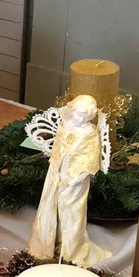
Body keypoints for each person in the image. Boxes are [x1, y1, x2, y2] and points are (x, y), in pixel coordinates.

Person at [26, 94, 112, 267]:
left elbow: (91, 158)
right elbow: (57, 150)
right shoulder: (64, 126)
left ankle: (70, 252)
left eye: (86, 116)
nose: (81, 119)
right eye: (79, 114)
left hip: (76, 180)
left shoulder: (90, 133)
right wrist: (56, 172)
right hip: (56, 174)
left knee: (72, 214)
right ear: (72, 111)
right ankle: (47, 246)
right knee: (50, 207)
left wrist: (76, 178)